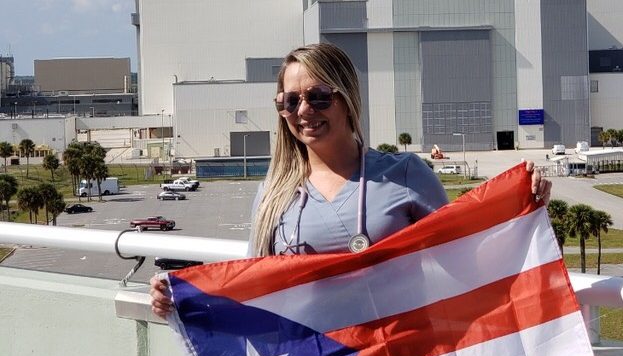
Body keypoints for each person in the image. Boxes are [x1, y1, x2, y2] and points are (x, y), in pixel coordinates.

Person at [150, 43, 551, 318]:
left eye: (319, 96)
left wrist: (521, 205)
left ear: (347, 99)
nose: (304, 110)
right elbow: (258, 293)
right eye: (290, 101)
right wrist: (184, 300)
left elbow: (465, 261)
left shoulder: (406, 175)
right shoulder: (273, 195)